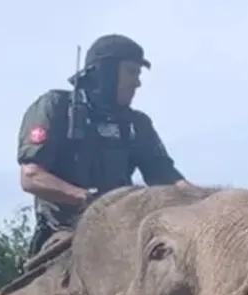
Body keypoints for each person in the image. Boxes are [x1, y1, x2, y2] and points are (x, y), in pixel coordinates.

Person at [16, 33, 193, 257]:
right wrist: (90, 199)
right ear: (106, 72)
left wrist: (209, 201)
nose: (137, 82)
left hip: (123, 233)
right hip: (64, 235)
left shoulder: (137, 124)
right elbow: (32, 177)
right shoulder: (57, 107)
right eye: (131, 72)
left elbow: (168, 178)